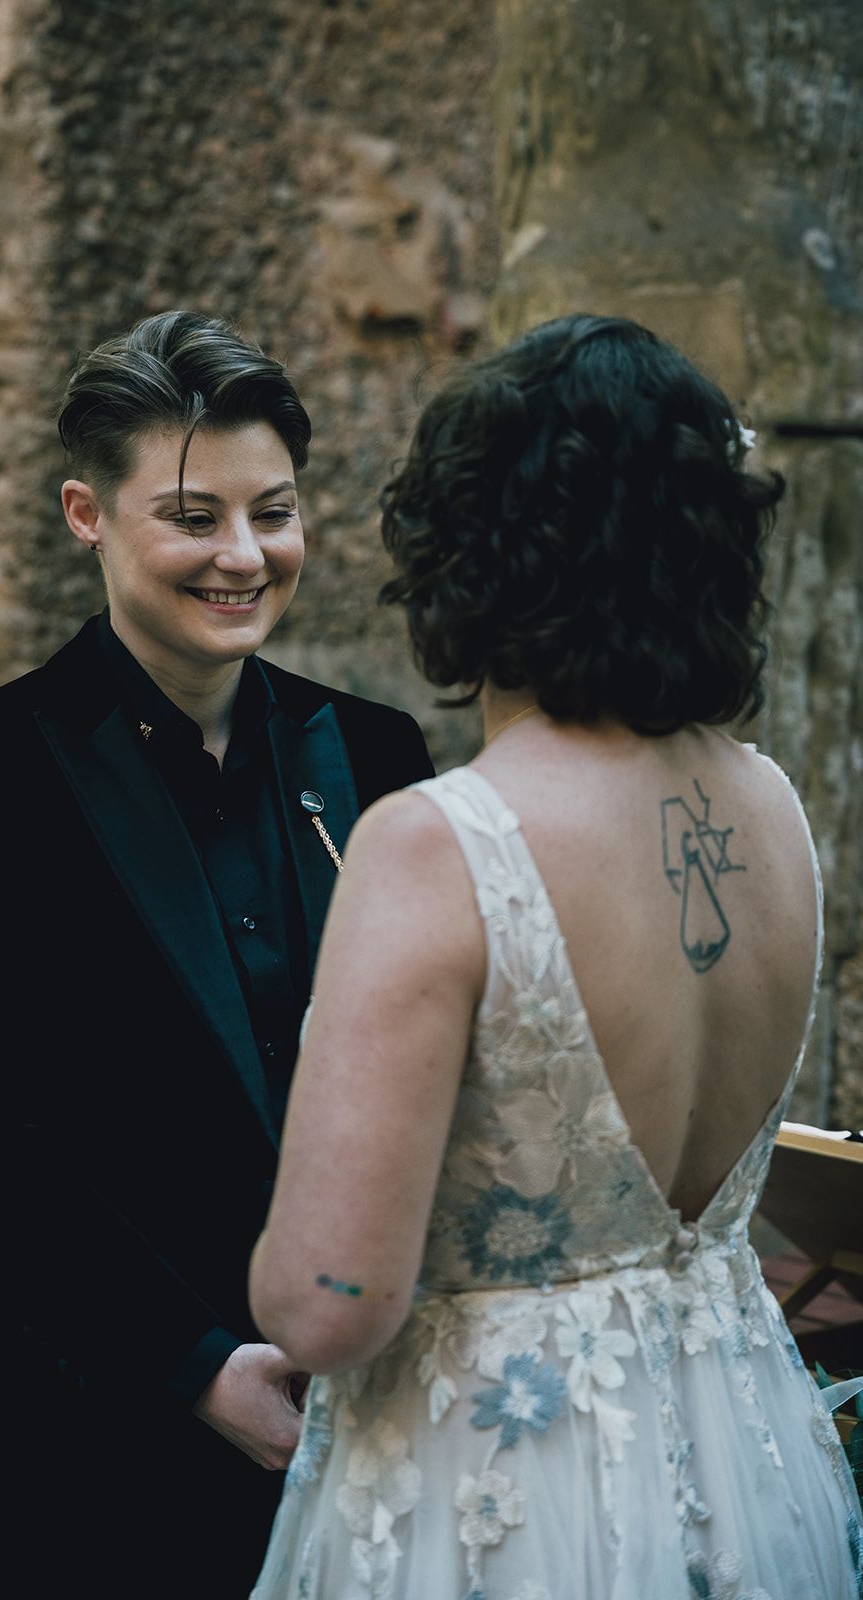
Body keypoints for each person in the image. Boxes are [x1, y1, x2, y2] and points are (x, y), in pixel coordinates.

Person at [248, 314, 863, 1599]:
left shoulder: (437, 843)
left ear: (466, 551)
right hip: (745, 1462)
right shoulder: (772, 812)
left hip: (502, 1495)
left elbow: (326, 1303)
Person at [0, 311, 434, 1598]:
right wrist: (193, 1367)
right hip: (61, 1447)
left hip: (339, 1437)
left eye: (273, 511)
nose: (243, 555)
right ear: (86, 513)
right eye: (193, 515)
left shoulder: (382, 754)